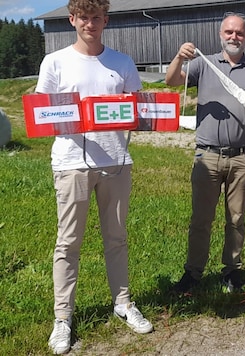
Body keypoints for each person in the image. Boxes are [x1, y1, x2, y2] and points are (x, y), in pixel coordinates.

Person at [36, 0, 153, 354]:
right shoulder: (54, 61)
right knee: (68, 242)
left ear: (106, 20)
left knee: (116, 238)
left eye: (96, 17)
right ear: (72, 19)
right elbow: (44, 112)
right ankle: (63, 318)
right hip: (72, 163)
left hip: (117, 162)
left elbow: (138, 108)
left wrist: (145, 114)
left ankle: (123, 302)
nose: (90, 23)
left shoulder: (122, 62)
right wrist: (79, 117)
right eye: (83, 17)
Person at [165, 13, 245, 295]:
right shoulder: (203, 64)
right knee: (201, 219)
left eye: (239, 33)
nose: (234, 37)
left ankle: (232, 270)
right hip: (207, 156)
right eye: (229, 32)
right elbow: (171, 81)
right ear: (221, 35)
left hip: (244, 157)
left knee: (236, 218)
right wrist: (179, 57)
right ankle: (193, 273)